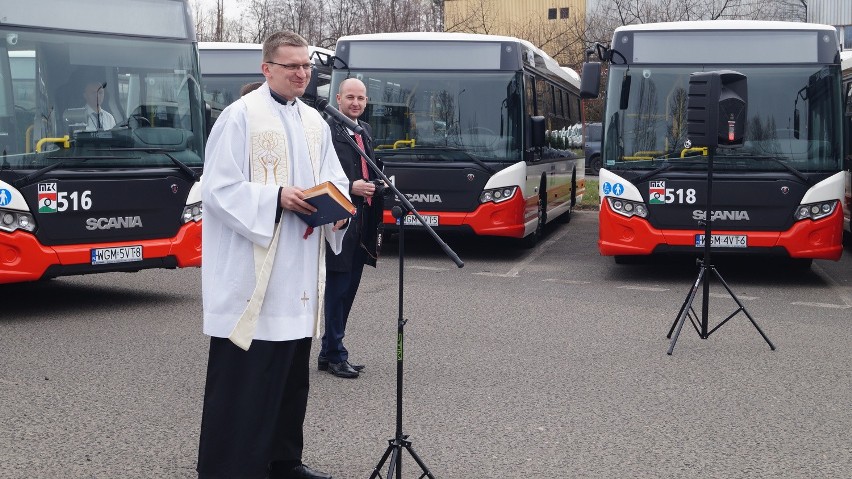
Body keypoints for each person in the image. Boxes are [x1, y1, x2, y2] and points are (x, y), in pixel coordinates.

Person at [197, 31, 349, 479]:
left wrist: (338, 212)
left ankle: (283, 460)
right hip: (253, 269)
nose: (302, 73)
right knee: (247, 378)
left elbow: (333, 179)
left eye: (306, 66)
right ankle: (231, 467)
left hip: (297, 271)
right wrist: (275, 198)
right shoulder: (240, 117)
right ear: (267, 69)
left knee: (289, 376)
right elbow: (217, 189)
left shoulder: (316, 121)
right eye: (292, 66)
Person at [318, 78, 384, 379]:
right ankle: (335, 354)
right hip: (340, 219)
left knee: (350, 288)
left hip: (364, 220)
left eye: (361, 98)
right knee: (338, 288)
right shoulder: (326, 130)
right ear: (338, 99)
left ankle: (328, 350)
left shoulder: (364, 130)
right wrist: (350, 186)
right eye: (350, 98)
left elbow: (366, 166)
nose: (355, 103)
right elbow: (318, 174)